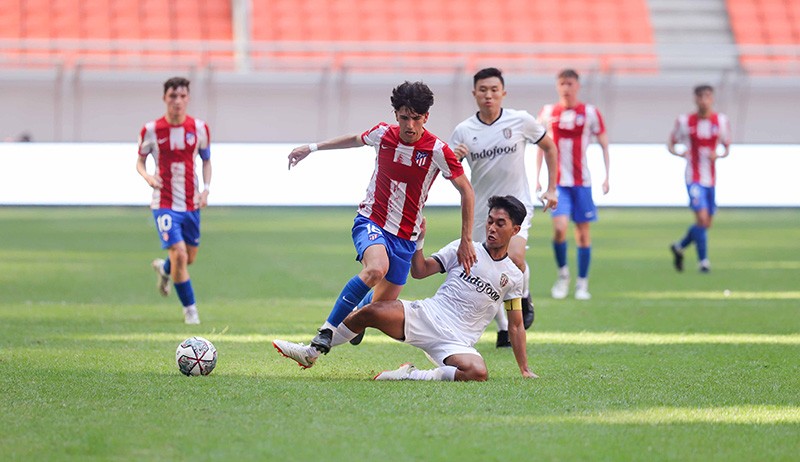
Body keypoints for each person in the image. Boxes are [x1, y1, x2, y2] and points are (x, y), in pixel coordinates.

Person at [284, 80, 476, 356]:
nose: (410, 125)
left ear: (426, 117)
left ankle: (348, 320)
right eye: (404, 117)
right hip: (371, 221)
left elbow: (467, 192)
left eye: (416, 118)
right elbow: (354, 139)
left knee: (376, 310)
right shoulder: (382, 134)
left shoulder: (437, 151)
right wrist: (312, 148)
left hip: (406, 237)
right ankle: (325, 330)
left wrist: (466, 240)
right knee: (376, 269)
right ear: (395, 115)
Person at [274, 195, 537, 381]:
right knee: (371, 312)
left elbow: (515, 325)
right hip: (427, 315)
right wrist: (419, 239)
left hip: (457, 341)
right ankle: (311, 352)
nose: (491, 228)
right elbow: (420, 271)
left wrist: (524, 369)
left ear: (515, 229)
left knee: (477, 372)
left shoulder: (514, 276)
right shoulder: (464, 248)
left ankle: (411, 375)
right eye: (489, 221)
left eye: (499, 224)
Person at [450, 67, 559, 348]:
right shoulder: (463, 131)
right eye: (483, 90)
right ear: (474, 93)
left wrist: (551, 188)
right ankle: (503, 329)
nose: (488, 95)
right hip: (482, 212)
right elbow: (449, 174)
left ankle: (523, 296)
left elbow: (549, 147)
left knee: (515, 259)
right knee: (486, 269)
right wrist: (456, 160)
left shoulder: (520, 120)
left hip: (517, 204)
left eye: (494, 90)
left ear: (503, 93)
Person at [136, 76, 211, 324]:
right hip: (164, 202)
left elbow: (206, 160)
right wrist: (147, 176)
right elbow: (140, 161)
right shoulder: (151, 129)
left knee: (188, 258)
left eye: (182, 96)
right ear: (165, 98)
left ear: (187, 98)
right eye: (172, 96)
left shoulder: (199, 128)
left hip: (191, 203)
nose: (177, 101)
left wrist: (206, 189)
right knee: (179, 254)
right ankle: (190, 310)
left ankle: (164, 269)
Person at [536, 69, 610, 301]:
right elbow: (540, 145)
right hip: (557, 185)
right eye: (562, 83)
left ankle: (582, 283)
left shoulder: (590, 113)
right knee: (559, 229)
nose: (566, 87)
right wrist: (537, 176)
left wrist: (607, 175)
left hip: (582, 183)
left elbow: (604, 144)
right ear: (557, 86)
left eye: (570, 83)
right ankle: (563, 275)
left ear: (577, 86)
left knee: (583, 235)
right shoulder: (548, 112)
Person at [667, 84, 731, 273]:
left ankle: (679, 247)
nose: (704, 100)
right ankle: (703, 262)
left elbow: (727, 147)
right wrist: (679, 153)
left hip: (711, 179)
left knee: (706, 223)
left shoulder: (721, 121)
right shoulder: (685, 121)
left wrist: (718, 155)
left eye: (707, 96)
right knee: (702, 219)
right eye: (700, 97)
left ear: (712, 99)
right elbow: (670, 144)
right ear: (695, 99)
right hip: (693, 178)